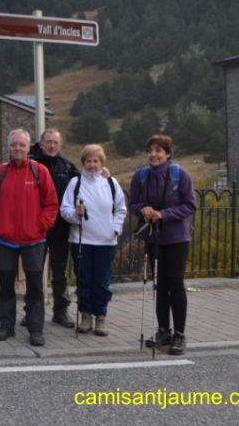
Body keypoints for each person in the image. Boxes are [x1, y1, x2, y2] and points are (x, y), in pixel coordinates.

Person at [0, 128, 58, 346]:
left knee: (35, 286)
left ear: (28, 148)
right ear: (9, 148)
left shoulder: (40, 171)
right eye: (14, 144)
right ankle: (6, 326)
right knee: (6, 285)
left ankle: (36, 329)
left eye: (22, 145)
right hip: (5, 239)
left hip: (34, 240)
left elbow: (51, 204)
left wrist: (40, 226)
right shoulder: (0, 172)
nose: (18, 148)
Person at [129, 134, 196, 356]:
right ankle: (163, 331)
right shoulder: (141, 176)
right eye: (150, 150)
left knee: (175, 284)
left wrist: (164, 214)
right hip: (153, 238)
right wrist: (144, 209)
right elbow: (134, 203)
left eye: (159, 150)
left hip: (177, 238)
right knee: (159, 285)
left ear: (168, 154)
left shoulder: (180, 175)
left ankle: (179, 334)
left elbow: (190, 206)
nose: (154, 154)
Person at [59, 144, 127, 336]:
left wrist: (115, 230)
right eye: (88, 161)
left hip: (106, 242)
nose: (92, 165)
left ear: (102, 162)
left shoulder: (111, 183)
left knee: (102, 282)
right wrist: (76, 214)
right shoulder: (75, 183)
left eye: (96, 161)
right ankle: (85, 314)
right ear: (83, 163)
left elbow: (121, 209)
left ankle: (101, 316)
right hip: (82, 240)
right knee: (84, 280)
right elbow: (65, 210)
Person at [29, 128, 80, 329]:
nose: (51, 146)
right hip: (35, 228)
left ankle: (60, 311)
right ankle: (32, 311)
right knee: (34, 272)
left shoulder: (68, 167)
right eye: (48, 142)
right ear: (40, 144)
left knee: (59, 272)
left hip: (60, 228)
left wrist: (103, 173)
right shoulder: (31, 165)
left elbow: (83, 185)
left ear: (60, 146)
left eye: (55, 143)